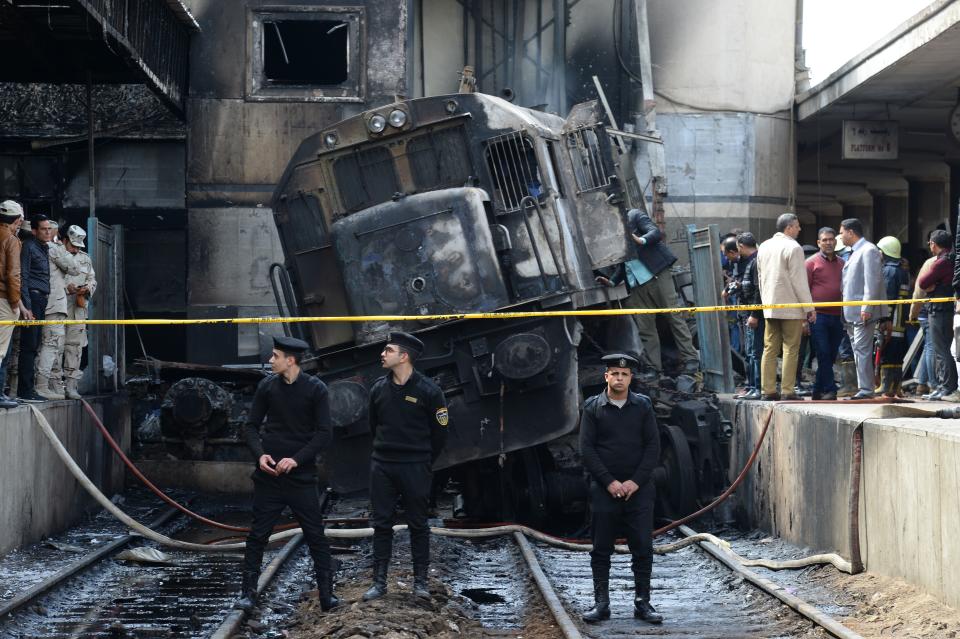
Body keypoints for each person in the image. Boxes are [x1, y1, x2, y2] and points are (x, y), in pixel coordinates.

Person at [237, 335, 339, 612]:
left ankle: (327, 596)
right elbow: (250, 426)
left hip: (301, 478)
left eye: (275, 356)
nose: (270, 361)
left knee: (315, 534)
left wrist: (295, 460)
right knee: (257, 535)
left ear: (290, 360)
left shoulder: (315, 389)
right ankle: (248, 594)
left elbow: (324, 433)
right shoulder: (267, 387)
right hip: (269, 478)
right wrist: (260, 455)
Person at [363, 332, 448, 602]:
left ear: (404, 356)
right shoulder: (378, 388)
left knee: (418, 525)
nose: (382, 354)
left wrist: (422, 459)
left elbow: (440, 433)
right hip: (383, 466)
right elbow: (373, 426)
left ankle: (420, 583)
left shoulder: (429, 391)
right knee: (382, 524)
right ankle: (379, 584)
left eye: (388, 350)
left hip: (415, 465)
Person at [580, 353, 662, 624]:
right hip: (604, 489)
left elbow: (653, 447)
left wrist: (634, 482)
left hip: (639, 489)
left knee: (643, 547)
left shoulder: (643, 406)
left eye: (624, 374)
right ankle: (601, 603)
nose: (619, 378)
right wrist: (609, 482)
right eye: (614, 373)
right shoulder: (592, 408)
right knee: (601, 548)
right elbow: (587, 450)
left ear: (631, 378)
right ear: (606, 376)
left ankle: (643, 603)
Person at [597, 208, 699, 379]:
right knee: (645, 328)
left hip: (656, 273)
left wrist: (640, 240)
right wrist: (613, 282)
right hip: (635, 283)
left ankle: (691, 359)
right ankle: (654, 368)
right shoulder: (609, 231)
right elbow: (624, 264)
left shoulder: (634, 215)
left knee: (674, 317)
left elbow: (655, 232)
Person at [755, 213, 816, 400]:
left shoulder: (764, 246)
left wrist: (765, 303)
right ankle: (788, 391)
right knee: (791, 347)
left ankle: (768, 390)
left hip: (770, 305)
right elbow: (799, 281)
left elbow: (760, 277)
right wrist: (809, 308)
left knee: (769, 348)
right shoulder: (793, 247)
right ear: (788, 227)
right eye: (797, 226)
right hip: (790, 306)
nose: (799, 229)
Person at [838, 218, 885, 400]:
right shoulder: (855, 252)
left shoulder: (868, 250)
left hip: (862, 311)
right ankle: (863, 387)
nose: (840, 237)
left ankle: (866, 389)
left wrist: (867, 307)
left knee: (863, 350)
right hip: (851, 311)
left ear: (850, 232)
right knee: (858, 349)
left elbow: (871, 281)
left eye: (841, 233)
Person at [35, 221, 78, 400]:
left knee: (36, 345)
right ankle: (42, 386)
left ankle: (22, 387)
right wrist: (60, 246)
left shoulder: (34, 246)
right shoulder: (54, 248)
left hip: (41, 301)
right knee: (51, 344)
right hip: (53, 304)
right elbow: (74, 268)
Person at [917, 230, 958, 401]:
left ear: (934, 243)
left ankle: (946, 387)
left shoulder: (941, 262)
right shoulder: (952, 259)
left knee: (941, 350)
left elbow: (923, 282)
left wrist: (933, 285)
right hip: (946, 308)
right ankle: (944, 386)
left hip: (939, 309)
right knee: (944, 349)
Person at [17, 215, 54, 402]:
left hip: (41, 299)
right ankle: (25, 391)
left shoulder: (44, 247)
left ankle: (28, 389)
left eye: (49, 228)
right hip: (33, 297)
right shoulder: (29, 247)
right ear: (34, 231)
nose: (48, 232)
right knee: (29, 346)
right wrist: (28, 307)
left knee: (35, 345)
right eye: (44, 229)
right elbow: (22, 276)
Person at [805, 228, 844, 400]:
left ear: (835, 241)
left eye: (831, 239)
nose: (828, 242)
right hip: (817, 316)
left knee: (831, 354)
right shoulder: (810, 263)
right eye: (825, 240)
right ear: (818, 243)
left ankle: (817, 390)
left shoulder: (843, 263)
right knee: (823, 352)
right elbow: (804, 290)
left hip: (838, 316)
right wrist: (804, 317)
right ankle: (830, 390)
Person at [61, 225, 96, 399]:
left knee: (74, 348)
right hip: (58, 307)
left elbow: (92, 279)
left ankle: (71, 386)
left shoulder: (85, 259)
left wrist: (87, 288)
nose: (75, 249)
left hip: (78, 309)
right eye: (73, 245)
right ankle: (53, 386)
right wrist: (67, 288)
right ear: (65, 240)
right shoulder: (56, 255)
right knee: (55, 346)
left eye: (78, 246)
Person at [876, 237, 910, 398]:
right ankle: (895, 386)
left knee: (888, 352)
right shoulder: (903, 271)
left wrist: (885, 320)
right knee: (896, 354)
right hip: (900, 322)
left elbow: (888, 298)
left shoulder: (889, 271)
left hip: (891, 321)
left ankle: (886, 386)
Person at [0, 201, 23, 409]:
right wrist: (15, 304)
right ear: (17, 220)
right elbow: (13, 275)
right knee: (1, 349)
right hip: (3, 300)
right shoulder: (11, 240)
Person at [734, 232, 762, 400]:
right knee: (750, 352)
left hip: (754, 314)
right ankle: (752, 386)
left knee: (755, 352)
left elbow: (758, 290)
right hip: (748, 313)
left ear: (741, 246)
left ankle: (757, 387)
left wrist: (754, 314)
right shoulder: (748, 262)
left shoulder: (756, 262)